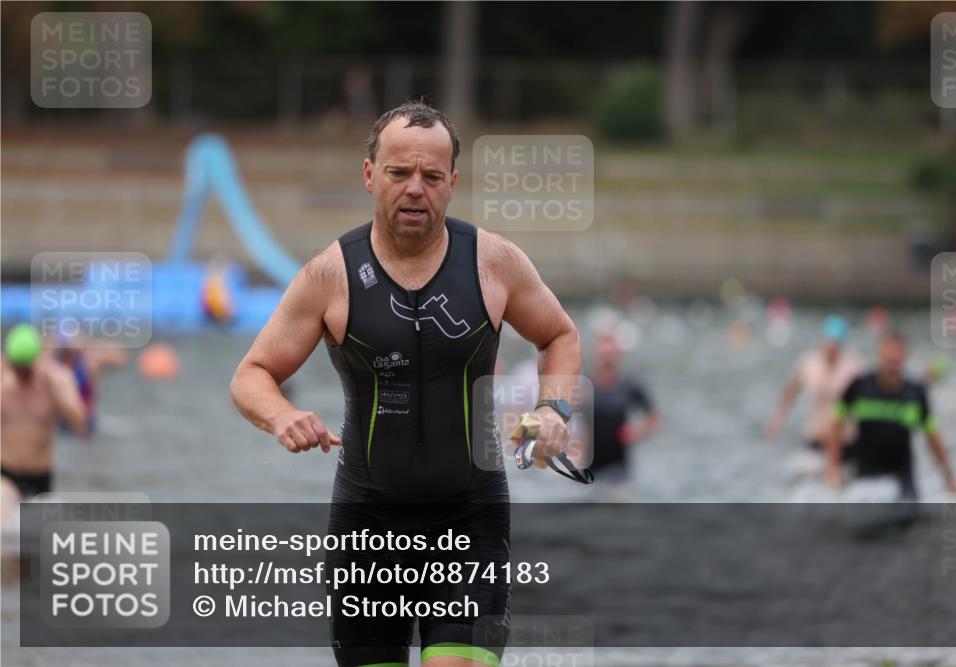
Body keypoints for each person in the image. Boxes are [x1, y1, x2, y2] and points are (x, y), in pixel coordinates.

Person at [230, 102, 581, 667]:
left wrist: (553, 408)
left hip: (470, 521)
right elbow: (252, 374)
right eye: (399, 173)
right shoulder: (330, 275)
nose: (415, 189)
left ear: (453, 183)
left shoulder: (494, 262)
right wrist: (281, 416)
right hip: (366, 526)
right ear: (370, 175)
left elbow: (559, 334)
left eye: (432, 176)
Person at [824, 331, 956, 500]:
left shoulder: (916, 392)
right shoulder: (859, 386)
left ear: (905, 355)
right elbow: (834, 424)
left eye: (897, 353)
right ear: (879, 353)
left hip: (902, 481)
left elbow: (932, 436)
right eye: (888, 352)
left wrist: (948, 476)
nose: (892, 358)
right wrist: (833, 466)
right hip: (865, 478)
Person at [1, 324, 88, 501]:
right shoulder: (3, 380)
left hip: (41, 476)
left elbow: (80, 425)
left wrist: (59, 396)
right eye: (17, 367)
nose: (21, 373)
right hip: (5, 474)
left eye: (26, 368)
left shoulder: (58, 380)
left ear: (37, 360)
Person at [766, 315, 862, 454]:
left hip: (845, 442)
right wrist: (777, 421)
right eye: (829, 340)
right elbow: (790, 392)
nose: (832, 346)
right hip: (816, 438)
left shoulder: (854, 367)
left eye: (836, 342)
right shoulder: (808, 363)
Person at [583, 332, 661, 484]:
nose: (607, 360)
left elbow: (654, 417)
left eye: (610, 355)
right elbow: (566, 412)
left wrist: (637, 432)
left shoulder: (630, 385)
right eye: (603, 355)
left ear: (618, 356)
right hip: (588, 464)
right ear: (596, 356)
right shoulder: (584, 384)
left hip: (619, 465)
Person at [53, 334, 127, 435]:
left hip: (86, 421)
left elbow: (120, 358)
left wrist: (91, 346)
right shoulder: (53, 367)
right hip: (62, 422)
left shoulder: (88, 364)